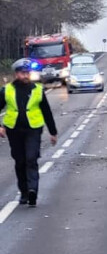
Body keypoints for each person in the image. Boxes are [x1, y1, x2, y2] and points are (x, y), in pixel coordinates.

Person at [0, 59, 57, 206]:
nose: (25, 76)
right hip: (14, 130)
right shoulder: (7, 90)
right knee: (20, 162)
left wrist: (53, 132)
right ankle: (24, 192)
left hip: (33, 130)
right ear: (16, 74)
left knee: (31, 159)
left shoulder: (37, 89)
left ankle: (33, 190)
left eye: (27, 73)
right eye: (22, 73)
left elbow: (46, 111)